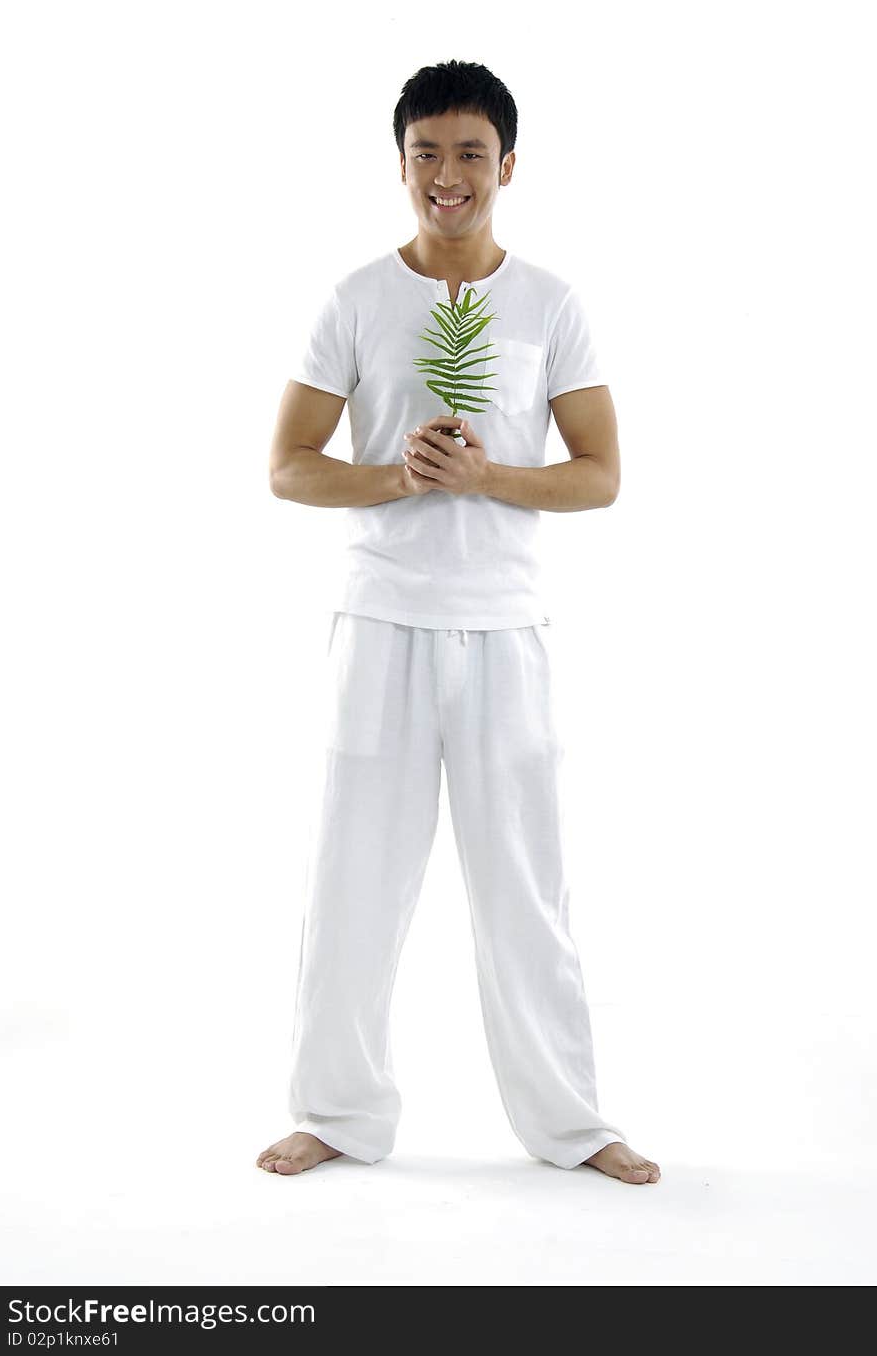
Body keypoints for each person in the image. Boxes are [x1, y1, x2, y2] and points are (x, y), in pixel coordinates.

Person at [257, 60, 660, 1185]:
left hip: (505, 629)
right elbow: (287, 466)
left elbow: (601, 475)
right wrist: (394, 478)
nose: (448, 174)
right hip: (379, 620)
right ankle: (335, 1111)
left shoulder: (550, 304)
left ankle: (572, 1125)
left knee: (525, 881)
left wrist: (486, 477)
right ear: (400, 167)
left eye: (469, 153)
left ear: (507, 166)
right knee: (353, 875)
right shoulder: (353, 298)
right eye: (426, 153)